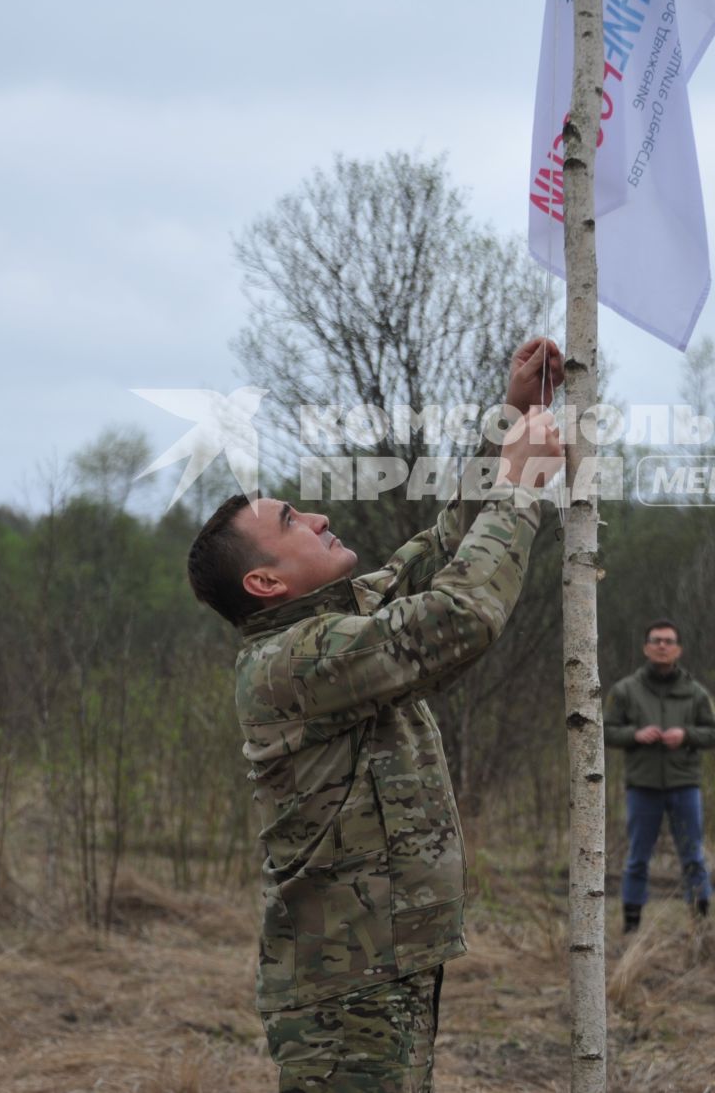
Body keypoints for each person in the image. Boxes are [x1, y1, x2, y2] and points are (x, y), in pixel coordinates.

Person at [189, 336, 563, 1092]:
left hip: (381, 962)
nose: (320, 515)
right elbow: (460, 614)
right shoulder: (292, 662)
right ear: (264, 580)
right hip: (342, 987)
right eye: (293, 519)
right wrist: (522, 487)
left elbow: (441, 551)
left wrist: (511, 416)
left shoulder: (333, 621)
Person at [606, 619, 715, 933]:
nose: (662, 646)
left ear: (678, 649)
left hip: (684, 785)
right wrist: (635, 734)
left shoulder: (696, 692)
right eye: (656, 641)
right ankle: (631, 929)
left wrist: (685, 735)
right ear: (646, 648)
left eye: (668, 641)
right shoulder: (625, 690)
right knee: (637, 859)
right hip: (642, 786)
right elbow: (602, 731)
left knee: (693, 857)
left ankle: (700, 927)